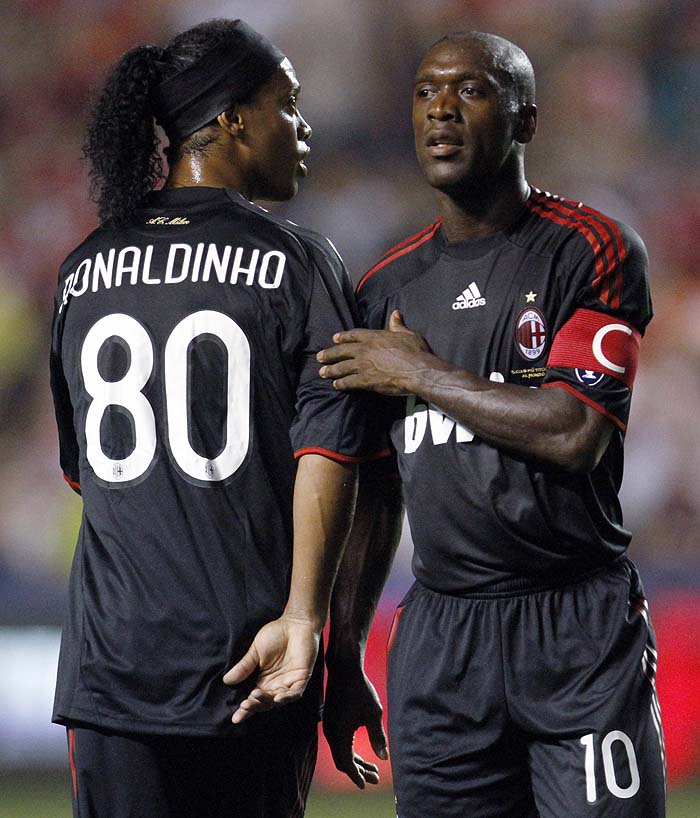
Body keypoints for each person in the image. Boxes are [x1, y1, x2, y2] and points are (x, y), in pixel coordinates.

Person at [319, 31, 667, 818]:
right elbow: (376, 490)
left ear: (527, 121)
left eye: (470, 90)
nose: (441, 108)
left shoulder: (592, 250)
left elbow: (575, 432)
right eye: (424, 93)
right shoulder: (383, 286)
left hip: (576, 628)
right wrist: (343, 651)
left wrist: (421, 373)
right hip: (444, 639)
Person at [49, 18, 381, 818]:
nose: (302, 127)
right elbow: (329, 453)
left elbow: (84, 474)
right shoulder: (297, 260)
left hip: (110, 669)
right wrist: (310, 622)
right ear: (232, 118)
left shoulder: (80, 270)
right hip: (253, 664)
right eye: (287, 104)